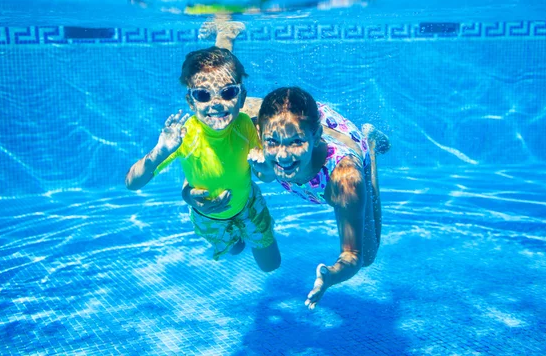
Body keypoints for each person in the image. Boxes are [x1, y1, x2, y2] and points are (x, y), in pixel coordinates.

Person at [124, 41, 281, 272]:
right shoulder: (185, 135)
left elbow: (265, 176)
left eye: (227, 92)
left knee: (271, 265)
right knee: (235, 249)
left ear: (242, 97)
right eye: (203, 95)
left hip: (249, 205)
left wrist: (266, 168)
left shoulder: (245, 124)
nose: (216, 104)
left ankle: (243, 235)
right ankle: (235, 239)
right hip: (208, 217)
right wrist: (160, 153)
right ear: (191, 101)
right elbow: (132, 183)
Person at [247, 86, 386, 309]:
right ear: (260, 132)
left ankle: (371, 144)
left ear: (315, 137)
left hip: (347, 148)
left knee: (368, 256)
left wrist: (331, 275)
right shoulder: (263, 127)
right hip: (299, 120)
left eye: (296, 142)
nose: (283, 156)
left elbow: (353, 255)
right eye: (272, 142)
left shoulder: (345, 179)